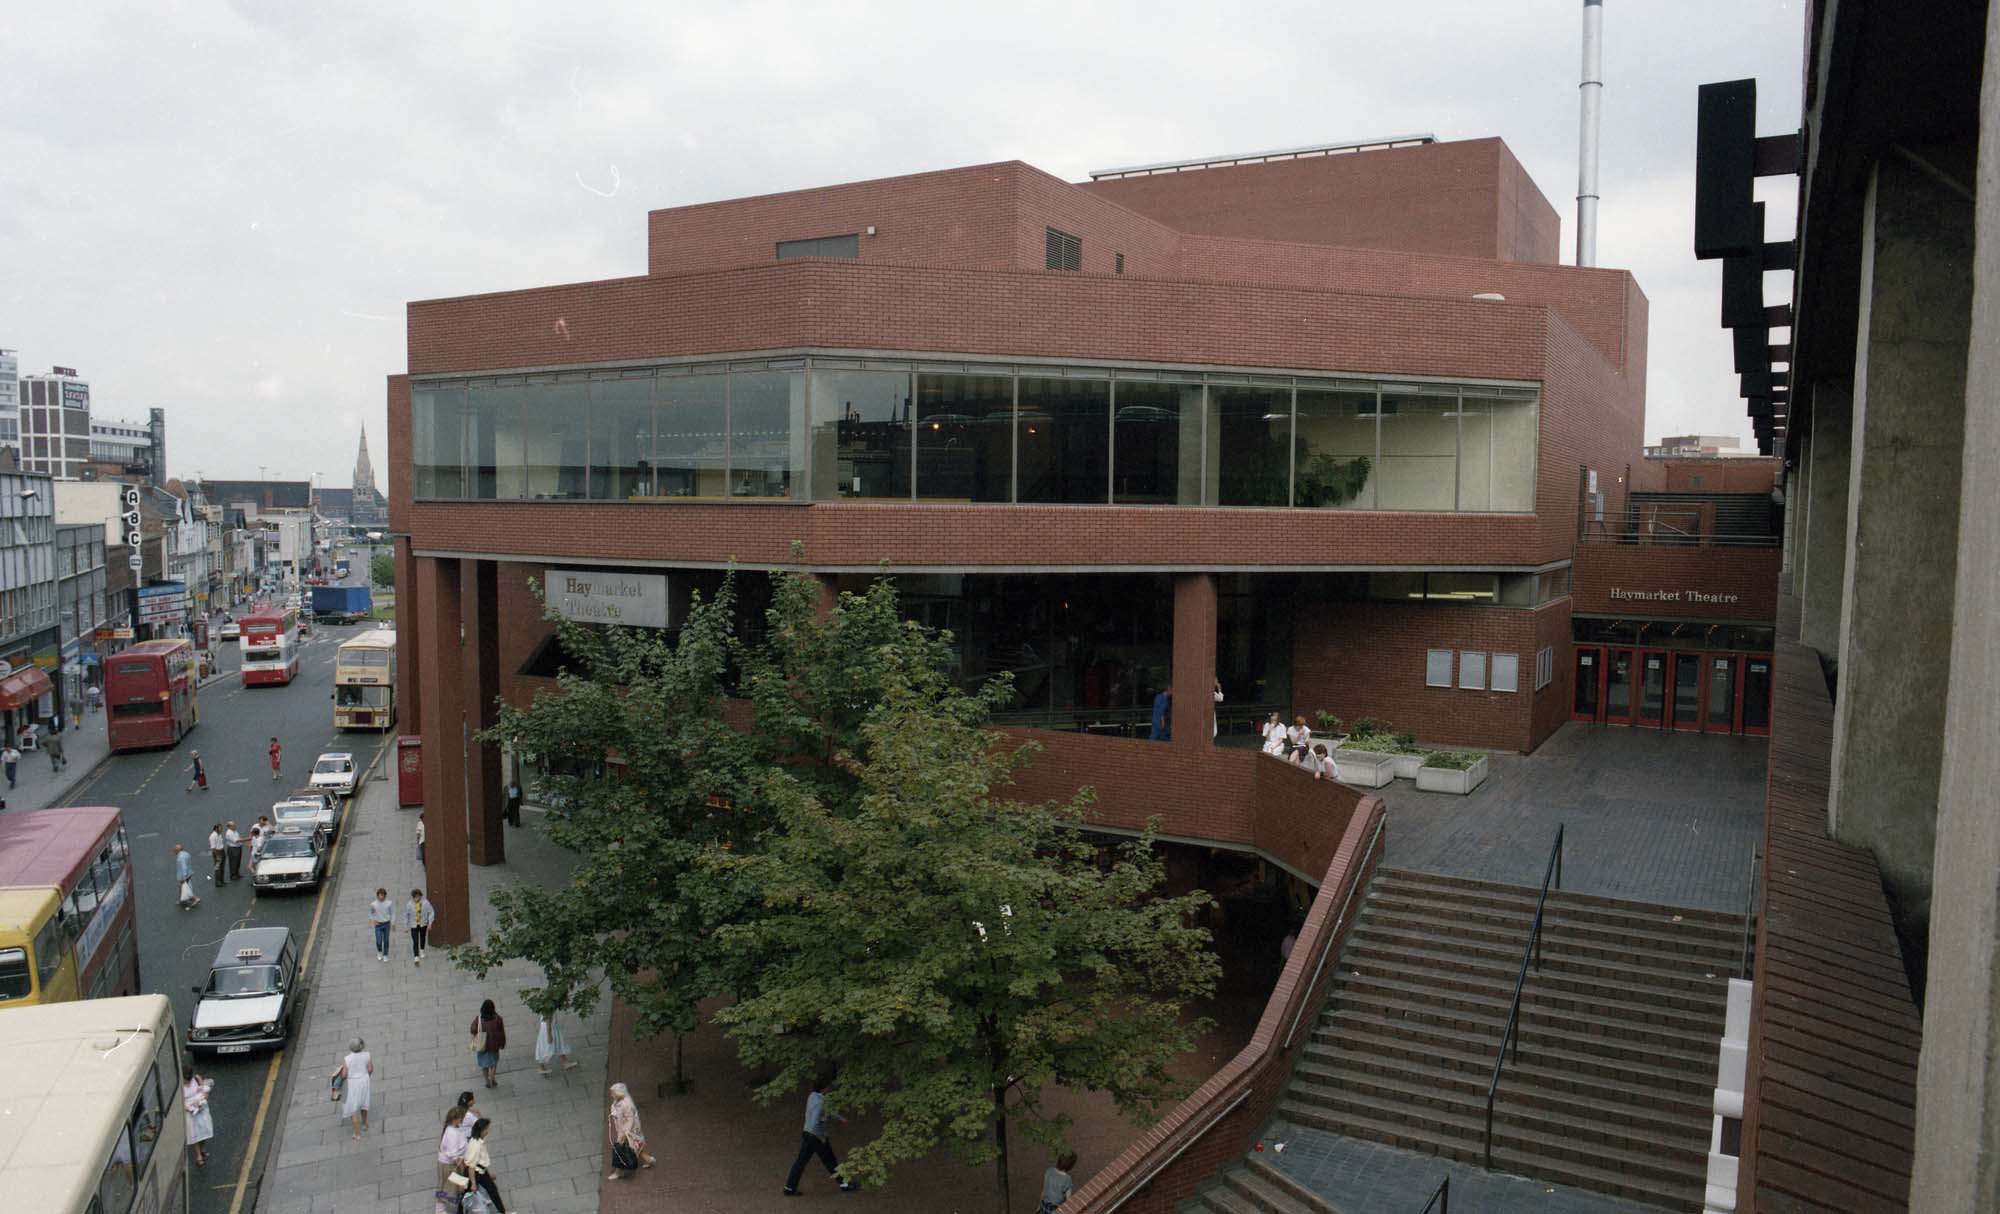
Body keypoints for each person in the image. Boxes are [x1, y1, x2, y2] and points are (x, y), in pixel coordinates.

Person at [783, 1076, 860, 1196]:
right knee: (830, 1160)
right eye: (828, 1086)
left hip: (807, 1134)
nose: (829, 1088)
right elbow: (815, 1123)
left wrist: (841, 1119)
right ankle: (844, 1184)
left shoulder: (813, 1096)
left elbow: (827, 1110)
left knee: (801, 1162)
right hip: (816, 1137)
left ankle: (789, 1188)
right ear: (824, 1088)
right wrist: (822, 1137)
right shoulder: (819, 1102)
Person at [606, 1082, 657, 1179]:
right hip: (628, 1131)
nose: (611, 1095)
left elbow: (630, 1120)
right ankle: (649, 1160)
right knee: (636, 1148)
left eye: (613, 1093)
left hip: (627, 1132)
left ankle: (618, 1171)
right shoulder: (620, 1101)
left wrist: (625, 1134)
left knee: (619, 1150)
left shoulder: (626, 1105)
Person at [459, 1117, 506, 1213]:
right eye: (486, 1129)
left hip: (481, 1171)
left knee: (493, 1190)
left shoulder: (478, 1141)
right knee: (466, 1194)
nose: (487, 1132)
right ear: (480, 1131)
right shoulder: (475, 1145)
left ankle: (503, 1212)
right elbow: (471, 1167)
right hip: (474, 1174)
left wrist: (488, 1173)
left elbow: (481, 1162)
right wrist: (473, 1183)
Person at [335, 1037, 374, 1139]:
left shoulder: (347, 1059)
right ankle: (365, 1124)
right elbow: (370, 1069)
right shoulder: (367, 1055)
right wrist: (366, 1076)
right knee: (364, 1102)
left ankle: (357, 1134)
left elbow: (344, 1075)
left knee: (352, 1108)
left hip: (352, 1084)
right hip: (364, 1081)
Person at [436, 1106, 474, 1195]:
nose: (463, 1120)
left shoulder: (452, 1128)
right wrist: (462, 1166)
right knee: (451, 1188)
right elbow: (453, 1155)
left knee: (453, 1186)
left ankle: (456, 1203)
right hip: (450, 1166)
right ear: (456, 1119)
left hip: (451, 1164)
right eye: (462, 1118)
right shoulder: (452, 1133)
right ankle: (443, 1206)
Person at [470, 999, 507, 1089]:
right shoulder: (498, 1019)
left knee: (484, 1065)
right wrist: (502, 1043)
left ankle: (487, 1082)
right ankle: (492, 1077)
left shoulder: (478, 1019)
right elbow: (502, 1033)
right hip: (494, 1045)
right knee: (493, 1063)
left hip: (482, 1045)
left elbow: (472, 1030)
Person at [183, 1066, 215, 1168]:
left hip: (201, 1109)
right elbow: (180, 1102)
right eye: (185, 1077)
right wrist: (188, 1108)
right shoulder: (179, 1086)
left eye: (189, 1077)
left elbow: (205, 1092)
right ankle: (198, 1156)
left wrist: (201, 1102)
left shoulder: (196, 1079)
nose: (187, 1079)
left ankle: (202, 1148)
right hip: (190, 1112)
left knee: (204, 1131)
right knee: (195, 1134)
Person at [403, 888, 436, 964]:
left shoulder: (425, 903)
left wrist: (430, 923)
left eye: (418, 897)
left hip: (423, 924)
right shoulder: (409, 904)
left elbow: (431, 912)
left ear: (421, 896)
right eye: (415, 897)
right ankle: (416, 956)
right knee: (415, 940)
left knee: (422, 938)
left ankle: (422, 950)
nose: (417, 899)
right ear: (413, 897)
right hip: (413, 924)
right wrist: (405, 926)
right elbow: (406, 915)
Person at [369, 888, 396, 962]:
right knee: (379, 940)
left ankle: (385, 955)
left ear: (385, 896)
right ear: (377, 896)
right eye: (380, 895)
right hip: (378, 925)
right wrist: (373, 920)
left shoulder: (389, 903)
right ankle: (379, 952)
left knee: (386, 940)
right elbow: (370, 913)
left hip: (386, 924)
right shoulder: (373, 904)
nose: (381, 897)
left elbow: (393, 913)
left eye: (383, 895)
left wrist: (393, 923)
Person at [173, 844, 201, 909]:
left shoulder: (180, 857)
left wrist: (184, 878)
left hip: (184, 875)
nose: (174, 851)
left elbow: (184, 867)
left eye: (175, 850)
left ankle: (195, 899)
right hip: (189, 872)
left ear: (178, 850)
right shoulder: (186, 853)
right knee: (181, 887)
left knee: (186, 888)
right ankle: (181, 900)